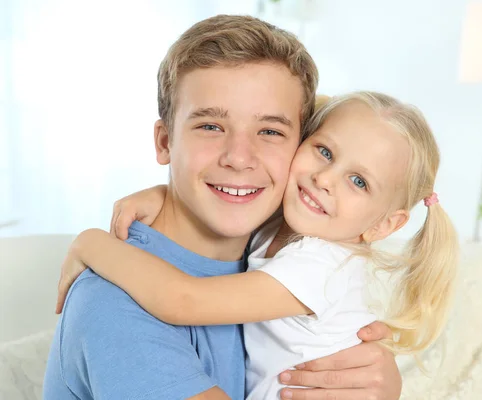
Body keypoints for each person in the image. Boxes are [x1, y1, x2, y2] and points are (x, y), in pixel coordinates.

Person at [43, 15, 402, 400]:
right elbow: (179, 298)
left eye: (270, 132)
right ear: (165, 143)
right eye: (210, 126)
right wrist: (92, 242)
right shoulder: (116, 304)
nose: (239, 158)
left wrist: (380, 380)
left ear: (298, 147)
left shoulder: (275, 249)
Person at [56, 92, 459, 398]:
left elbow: (184, 301)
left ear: (385, 224)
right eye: (324, 151)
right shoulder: (284, 227)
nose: (325, 178)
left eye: (359, 182)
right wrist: (164, 193)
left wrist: (91, 243)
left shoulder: (322, 264)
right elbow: (230, 196)